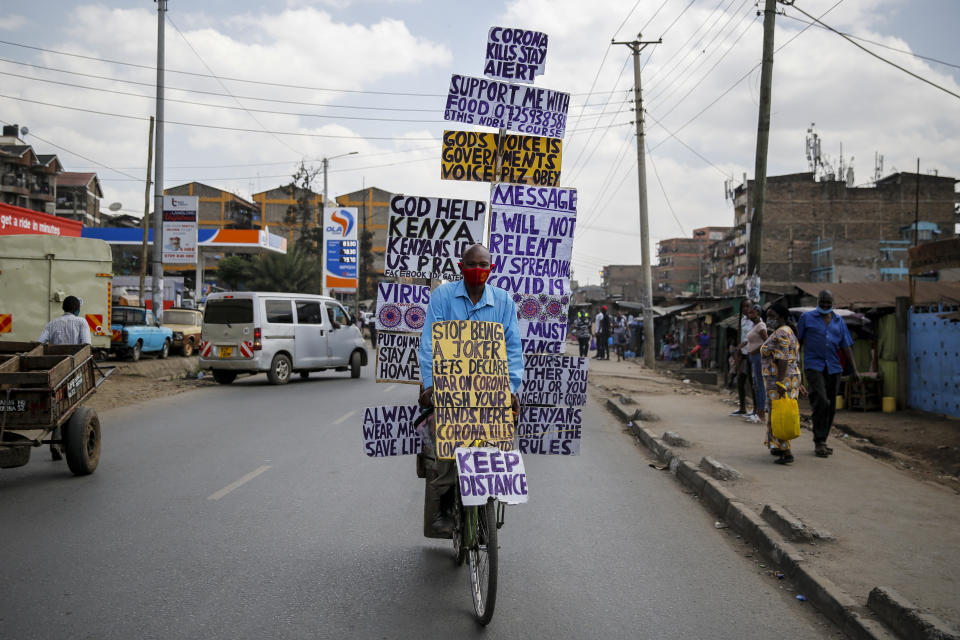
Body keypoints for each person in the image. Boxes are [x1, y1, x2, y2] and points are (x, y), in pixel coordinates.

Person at [417, 244, 523, 536]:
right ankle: (443, 505)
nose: (478, 270)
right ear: (461, 267)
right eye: (472, 264)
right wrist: (430, 385)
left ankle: (491, 496)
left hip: (490, 390)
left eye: (484, 264)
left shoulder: (503, 302)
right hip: (450, 388)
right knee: (444, 445)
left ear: (491, 268)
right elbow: (429, 344)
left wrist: (511, 388)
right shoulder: (443, 296)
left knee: (499, 439)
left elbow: (513, 348)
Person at [797, 290, 860, 458]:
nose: (825, 306)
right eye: (822, 302)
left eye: (828, 303)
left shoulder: (839, 321)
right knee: (821, 400)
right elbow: (798, 343)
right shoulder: (807, 318)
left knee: (831, 405)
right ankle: (818, 441)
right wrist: (796, 367)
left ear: (833, 304)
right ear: (818, 301)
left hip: (834, 367)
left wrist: (854, 370)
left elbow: (846, 346)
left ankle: (823, 440)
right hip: (813, 365)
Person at [760, 303, 806, 464]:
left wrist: (780, 383)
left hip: (779, 380)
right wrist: (799, 384)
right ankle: (779, 446)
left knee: (780, 413)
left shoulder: (780, 333)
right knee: (781, 411)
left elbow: (783, 359)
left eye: (772, 316)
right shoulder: (789, 332)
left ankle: (786, 452)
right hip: (790, 378)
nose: (769, 320)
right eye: (768, 316)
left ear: (782, 317)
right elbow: (794, 360)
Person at [740, 304, 768, 424]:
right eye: (749, 313)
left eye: (752, 312)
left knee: (760, 384)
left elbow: (767, 342)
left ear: (758, 313)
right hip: (752, 357)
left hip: (758, 357)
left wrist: (756, 350)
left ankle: (761, 414)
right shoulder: (754, 326)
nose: (750, 314)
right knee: (756, 384)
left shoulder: (761, 326)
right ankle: (757, 412)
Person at [731, 299, 755, 417]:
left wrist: (742, 345)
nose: (746, 309)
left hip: (752, 353)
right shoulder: (743, 320)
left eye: (748, 306)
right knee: (741, 382)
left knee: (752, 382)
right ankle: (742, 408)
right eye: (743, 307)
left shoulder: (755, 321)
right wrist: (738, 351)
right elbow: (740, 336)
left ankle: (756, 409)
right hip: (743, 354)